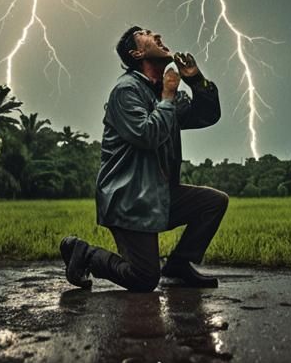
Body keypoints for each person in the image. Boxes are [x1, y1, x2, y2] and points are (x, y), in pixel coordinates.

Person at [60, 26, 228, 291]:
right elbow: (147, 134)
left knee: (213, 202)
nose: (157, 34)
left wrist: (195, 80)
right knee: (144, 279)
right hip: (129, 199)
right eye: (146, 33)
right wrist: (169, 98)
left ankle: (178, 266)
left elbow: (207, 116)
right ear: (136, 53)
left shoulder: (161, 91)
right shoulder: (126, 91)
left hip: (158, 195)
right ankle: (83, 253)